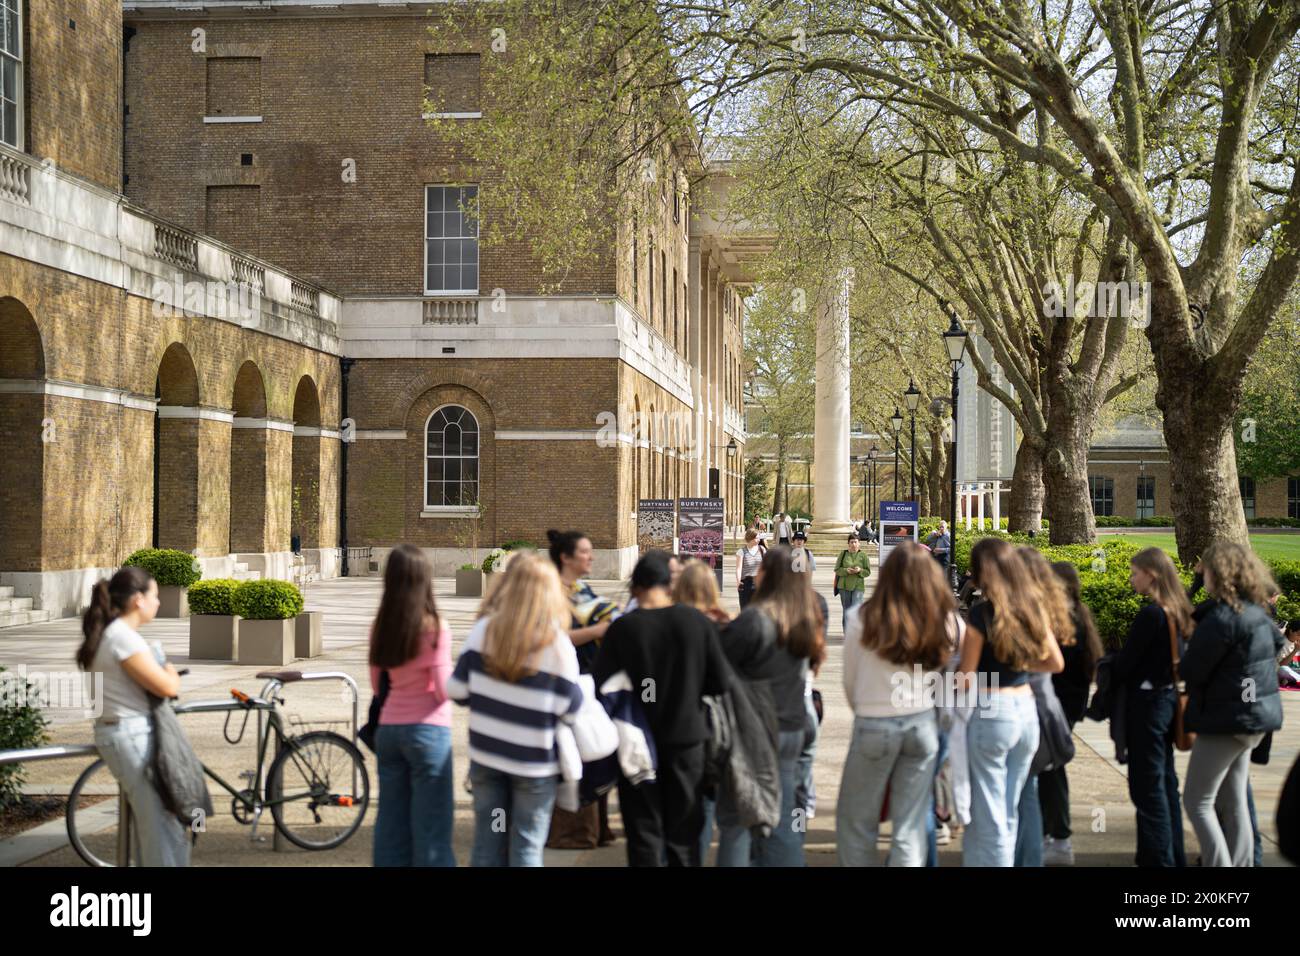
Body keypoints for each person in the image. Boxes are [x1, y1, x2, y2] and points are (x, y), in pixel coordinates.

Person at [594, 552, 732, 866]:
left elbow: (601, 686)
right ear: (667, 585)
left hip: (636, 743)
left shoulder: (624, 628)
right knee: (683, 834)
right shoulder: (696, 622)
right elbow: (721, 682)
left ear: (636, 586)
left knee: (643, 832)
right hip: (687, 740)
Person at [447, 554, 582, 866]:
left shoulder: (484, 631)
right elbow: (571, 710)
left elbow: (456, 690)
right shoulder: (557, 645)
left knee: (488, 841)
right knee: (526, 845)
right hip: (533, 767)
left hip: (488, 759)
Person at [838, 543, 955, 866]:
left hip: (874, 722)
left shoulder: (861, 618)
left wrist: (864, 707)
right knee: (910, 826)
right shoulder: (944, 620)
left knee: (857, 823)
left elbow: (850, 680)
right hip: (921, 724)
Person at [715, 546, 825, 866]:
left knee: (738, 819)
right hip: (792, 726)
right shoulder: (803, 619)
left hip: (755, 732)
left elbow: (718, 666)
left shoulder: (755, 620)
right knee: (784, 813)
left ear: (769, 575)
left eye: (761, 567)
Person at [958, 538, 1063, 867]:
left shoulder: (980, 614)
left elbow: (966, 675)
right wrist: (1017, 663)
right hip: (1025, 711)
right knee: (1009, 808)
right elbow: (1054, 662)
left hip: (992, 712)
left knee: (990, 815)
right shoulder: (1032, 607)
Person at [1181, 541, 1286, 867]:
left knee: (1197, 801)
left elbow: (1192, 669)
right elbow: (1279, 646)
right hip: (1254, 718)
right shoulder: (1256, 614)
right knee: (1234, 798)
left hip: (1227, 719)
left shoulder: (1223, 618)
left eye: (1205, 572)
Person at [77, 567, 189, 866]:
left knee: (159, 823)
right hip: (130, 735)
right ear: (138, 599)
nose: (159, 602)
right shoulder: (122, 639)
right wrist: (167, 669)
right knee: (161, 827)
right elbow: (167, 686)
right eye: (154, 595)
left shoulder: (113, 635)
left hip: (125, 732)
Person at [368, 544, 455, 867]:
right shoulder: (434, 627)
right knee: (431, 826)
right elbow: (444, 690)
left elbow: (378, 686)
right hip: (429, 731)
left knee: (391, 823)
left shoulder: (380, 627)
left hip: (389, 732)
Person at [1114, 546, 1194, 867]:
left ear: (1153, 574)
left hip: (1148, 705)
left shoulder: (1152, 615)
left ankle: (1158, 858)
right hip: (1167, 701)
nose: (1132, 579)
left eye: (1136, 573)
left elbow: (1127, 664)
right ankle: (1171, 854)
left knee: (1148, 788)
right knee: (1165, 783)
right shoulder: (1179, 610)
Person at [547, 528, 620, 846]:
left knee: (595, 750)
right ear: (566, 557)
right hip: (564, 682)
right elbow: (555, 638)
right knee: (574, 756)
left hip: (590, 681)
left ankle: (597, 826)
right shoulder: (550, 593)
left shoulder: (582, 589)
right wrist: (601, 629)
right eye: (585, 552)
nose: (591, 557)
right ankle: (574, 830)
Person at [1011, 547, 1075, 868]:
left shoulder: (1027, 608)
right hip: (1044, 704)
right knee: (1029, 788)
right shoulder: (1048, 605)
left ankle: (1025, 853)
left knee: (1022, 790)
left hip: (1029, 704)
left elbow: (1055, 662)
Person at [1041, 561, 1104, 866]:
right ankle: (1052, 831)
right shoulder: (1076, 614)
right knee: (1050, 766)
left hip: (1060, 702)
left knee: (1051, 767)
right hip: (1068, 702)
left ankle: (1058, 834)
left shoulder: (1064, 619)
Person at [833, 534, 869, 632]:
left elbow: (867, 572)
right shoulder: (843, 554)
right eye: (851, 542)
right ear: (848, 544)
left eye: (855, 542)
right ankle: (847, 632)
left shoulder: (864, 556)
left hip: (858, 586)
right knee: (847, 610)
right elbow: (836, 569)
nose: (853, 544)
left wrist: (860, 570)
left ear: (859, 543)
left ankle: (856, 632)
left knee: (856, 610)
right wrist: (846, 571)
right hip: (844, 586)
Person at [736, 529, 764, 609]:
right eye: (756, 538)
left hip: (759, 582)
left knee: (759, 610)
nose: (759, 540)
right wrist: (738, 582)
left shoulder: (762, 550)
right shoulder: (741, 551)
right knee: (745, 609)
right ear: (751, 538)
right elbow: (739, 568)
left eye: (759, 538)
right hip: (746, 584)